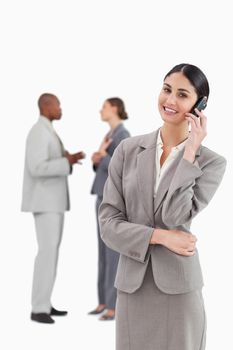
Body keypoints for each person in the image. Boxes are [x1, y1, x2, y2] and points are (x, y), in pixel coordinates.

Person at [99, 64, 227, 349]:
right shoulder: (128, 150)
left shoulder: (211, 163)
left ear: (199, 105)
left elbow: (174, 215)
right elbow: (108, 225)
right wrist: (160, 237)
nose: (170, 100)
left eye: (182, 95)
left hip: (179, 291)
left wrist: (190, 153)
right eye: (167, 89)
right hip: (133, 288)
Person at [21, 93, 85, 324]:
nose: (60, 108)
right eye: (58, 104)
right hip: (45, 202)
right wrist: (65, 162)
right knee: (46, 254)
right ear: (46, 106)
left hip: (52, 202)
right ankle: (38, 308)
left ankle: (44, 304)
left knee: (51, 254)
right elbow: (36, 167)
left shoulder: (47, 130)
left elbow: (48, 162)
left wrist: (67, 158)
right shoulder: (38, 132)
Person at [89, 98, 130, 321]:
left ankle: (113, 305)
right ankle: (103, 301)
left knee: (112, 253)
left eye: (103, 106)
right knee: (103, 253)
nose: (100, 110)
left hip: (112, 200)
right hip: (102, 195)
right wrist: (97, 159)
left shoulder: (123, 135)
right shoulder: (110, 135)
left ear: (114, 108)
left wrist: (103, 158)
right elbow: (104, 164)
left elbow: (124, 166)